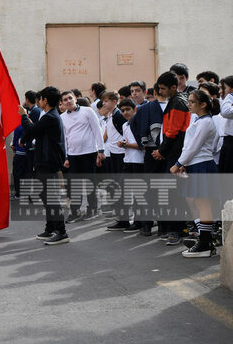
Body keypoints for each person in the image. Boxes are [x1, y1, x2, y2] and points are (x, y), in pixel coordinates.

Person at [171, 89, 221, 257]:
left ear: (203, 104)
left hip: (202, 165)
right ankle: (205, 238)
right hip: (196, 164)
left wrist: (178, 163)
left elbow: (195, 146)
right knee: (194, 201)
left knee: (203, 204)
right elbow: (189, 145)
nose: (189, 104)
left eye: (192, 102)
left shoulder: (206, 122)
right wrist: (184, 163)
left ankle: (206, 243)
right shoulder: (198, 120)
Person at [19, 86, 68, 246]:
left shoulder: (51, 117)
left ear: (45, 100)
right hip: (44, 160)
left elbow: (32, 130)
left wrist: (24, 116)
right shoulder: (48, 116)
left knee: (50, 197)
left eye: (39, 98)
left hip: (48, 161)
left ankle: (61, 232)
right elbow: (37, 132)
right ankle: (50, 228)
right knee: (45, 196)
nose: (38, 101)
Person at [153, 70, 191, 246]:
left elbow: (173, 131)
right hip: (174, 152)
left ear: (173, 87)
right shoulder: (175, 101)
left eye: (162, 88)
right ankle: (179, 228)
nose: (160, 92)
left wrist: (161, 150)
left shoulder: (178, 103)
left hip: (176, 153)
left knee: (174, 193)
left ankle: (176, 230)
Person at [60, 89, 105, 222]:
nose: (68, 101)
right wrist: (66, 157)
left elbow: (97, 130)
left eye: (70, 98)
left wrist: (101, 150)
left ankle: (93, 209)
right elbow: (65, 138)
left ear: (74, 98)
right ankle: (75, 211)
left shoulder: (88, 111)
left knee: (90, 182)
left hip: (89, 152)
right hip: (73, 155)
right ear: (62, 103)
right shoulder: (62, 117)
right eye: (65, 100)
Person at [107, 99, 145, 233]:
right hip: (127, 160)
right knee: (122, 190)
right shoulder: (125, 125)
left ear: (135, 109)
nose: (125, 113)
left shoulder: (139, 124)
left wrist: (126, 145)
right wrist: (123, 143)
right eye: (122, 110)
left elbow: (143, 145)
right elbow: (127, 141)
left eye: (128, 109)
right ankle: (123, 220)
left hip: (138, 162)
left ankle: (139, 222)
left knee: (138, 194)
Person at [219, 75, 233, 174]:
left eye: (225, 88)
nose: (222, 91)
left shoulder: (229, 99)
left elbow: (226, 112)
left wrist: (230, 95)